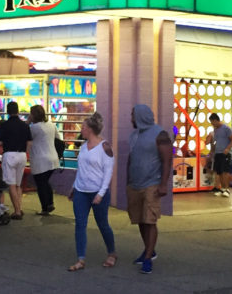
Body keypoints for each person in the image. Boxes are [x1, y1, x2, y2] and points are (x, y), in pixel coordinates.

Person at [126, 105, 173, 274]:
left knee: (150, 220)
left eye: (132, 115)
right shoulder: (134, 135)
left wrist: (163, 184)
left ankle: (147, 259)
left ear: (140, 116)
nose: (131, 118)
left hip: (152, 184)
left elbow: (167, 160)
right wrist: (127, 182)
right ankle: (149, 250)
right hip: (134, 184)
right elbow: (130, 159)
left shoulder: (160, 134)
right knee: (140, 219)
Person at [67, 113, 116, 272]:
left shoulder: (105, 147)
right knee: (80, 224)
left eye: (84, 127)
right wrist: (74, 187)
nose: (81, 129)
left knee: (102, 224)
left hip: (97, 191)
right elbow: (81, 170)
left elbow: (108, 172)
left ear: (91, 130)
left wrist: (101, 193)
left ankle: (112, 253)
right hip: (81, 191)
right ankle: (81, 259)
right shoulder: (83, 147)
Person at [0, 101, 31, 220]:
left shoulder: (4, 125)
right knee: (18, 184)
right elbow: (29, 142)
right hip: (22, 155)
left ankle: (17, 211)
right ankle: (19, 208)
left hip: (9, 154)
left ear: (7, 111)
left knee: (11, 184)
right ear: (18, 111)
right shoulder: (25, 125)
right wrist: (26, 153)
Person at [27, 105, 59, 215]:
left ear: (33, 115)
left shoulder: (33, 128)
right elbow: (58, 139)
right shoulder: (51, 125)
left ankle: (45, 208)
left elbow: (24, 134)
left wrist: (27, 121)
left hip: (40, 160)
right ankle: (50, 203)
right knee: (45, 182)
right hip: (53, 158)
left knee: (41, 184)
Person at [205, 113, 232, 196]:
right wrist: (212, 151)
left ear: (215, 120)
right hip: (217, 153)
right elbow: (215, 141)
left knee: (225, 171)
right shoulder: (216, 130)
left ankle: (227, 189)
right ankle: (222, 189)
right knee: (219, 172)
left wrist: (228, 148)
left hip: (225, 153)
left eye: (212, 122)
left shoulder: (226, 128)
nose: (212, 124)